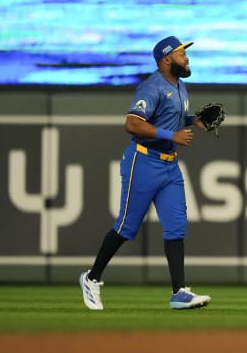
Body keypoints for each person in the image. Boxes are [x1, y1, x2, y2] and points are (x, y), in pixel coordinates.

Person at [78, 36, 212, 310]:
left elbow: (169, 117)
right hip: (144, 161)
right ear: (165, 60)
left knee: (176, 227)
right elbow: (132, 123)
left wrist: (193, 121)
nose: (186, 58)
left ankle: (179, 292)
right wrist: (170, 134)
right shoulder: (152, 86)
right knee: (127, 227)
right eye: (180, 54)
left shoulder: (180, 86)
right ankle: (91, 278)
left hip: (170, 165)